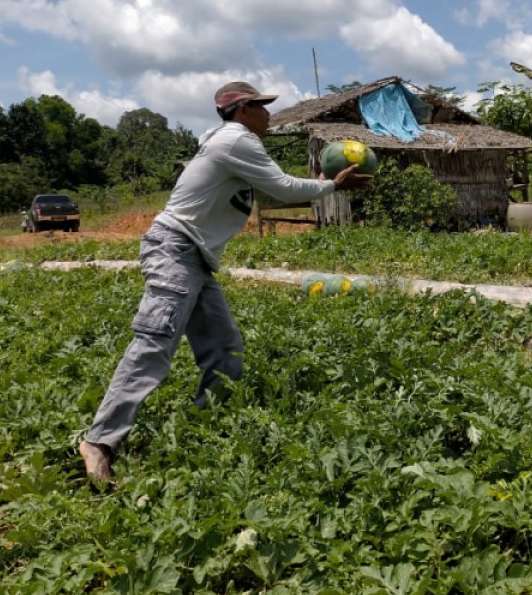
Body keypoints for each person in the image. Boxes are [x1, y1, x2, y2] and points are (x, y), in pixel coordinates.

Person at [79, 81, 373, 482]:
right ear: (243, 110)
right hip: (176, 250)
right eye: (263, 107)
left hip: (194, 257)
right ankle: (99, 441)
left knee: (224, 347)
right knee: (155, 341)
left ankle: (207, 425)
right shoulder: (236, 140)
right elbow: (283, 188)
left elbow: (273, 189)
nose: (269, 115)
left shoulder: (229, 142)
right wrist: (331, 185)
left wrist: (320, 181)